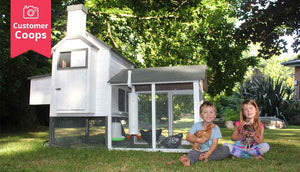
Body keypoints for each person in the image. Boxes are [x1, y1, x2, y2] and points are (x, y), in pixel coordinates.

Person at [179, 101, 230, 166]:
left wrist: (208, 154)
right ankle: (188, 161)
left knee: (225, 149)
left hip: (211, 151)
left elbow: (215, 143)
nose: (208, 114)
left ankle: (205, 157)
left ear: (215, 115)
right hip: (199, 151)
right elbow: (188, 137)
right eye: (205, 112)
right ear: (200, 115)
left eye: (211, 112)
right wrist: (198, 140)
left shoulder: (216, 128)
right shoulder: (196, 125)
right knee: (193, 153)